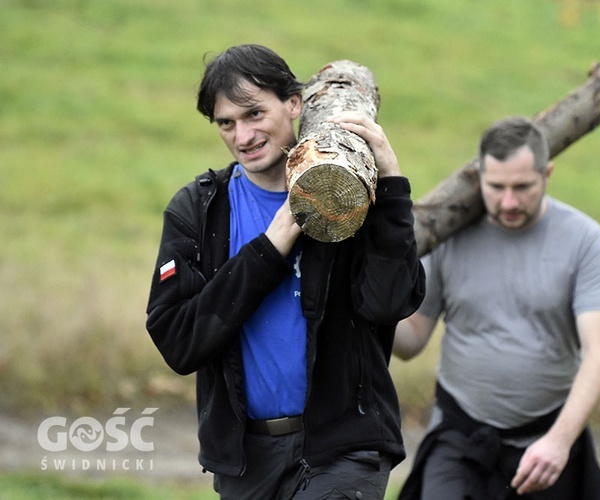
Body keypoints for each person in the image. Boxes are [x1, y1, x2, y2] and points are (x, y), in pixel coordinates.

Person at [145, 44, 425, 499]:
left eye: (255, 114)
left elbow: (389, 304)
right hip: (245, 461)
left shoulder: (344, 191)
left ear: (294, 103)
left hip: (343, 451)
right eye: (226, 123)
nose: (243, 135)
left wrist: (391, 185)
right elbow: (178, 341)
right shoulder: (198, 209)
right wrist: (269, 249)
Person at [394, 116, 600, 499]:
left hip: (546, 441)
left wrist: (560, 442)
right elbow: (412, 340)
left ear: (547, 174)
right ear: (478, 176)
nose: (509, 202)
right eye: (496, 187)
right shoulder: (447, 236)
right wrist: (372, 309)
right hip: (459, 438)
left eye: (523, 187)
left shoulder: (584, 239)